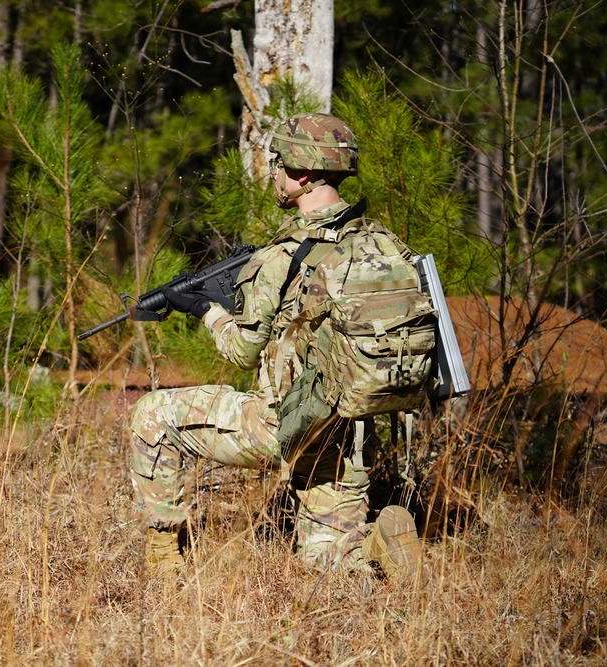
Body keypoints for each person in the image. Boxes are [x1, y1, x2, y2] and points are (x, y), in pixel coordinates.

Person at [128, 113, 425, 581]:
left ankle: (164, 562)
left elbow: (242, 350)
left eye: (277, 163)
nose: (272, 173)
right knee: (330, 571)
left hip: (283, 422)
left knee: (152, 415)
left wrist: (205, 308)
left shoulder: (282, 256)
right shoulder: (383, 242)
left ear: (302, 175)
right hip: (351, 430)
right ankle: (378, 547)